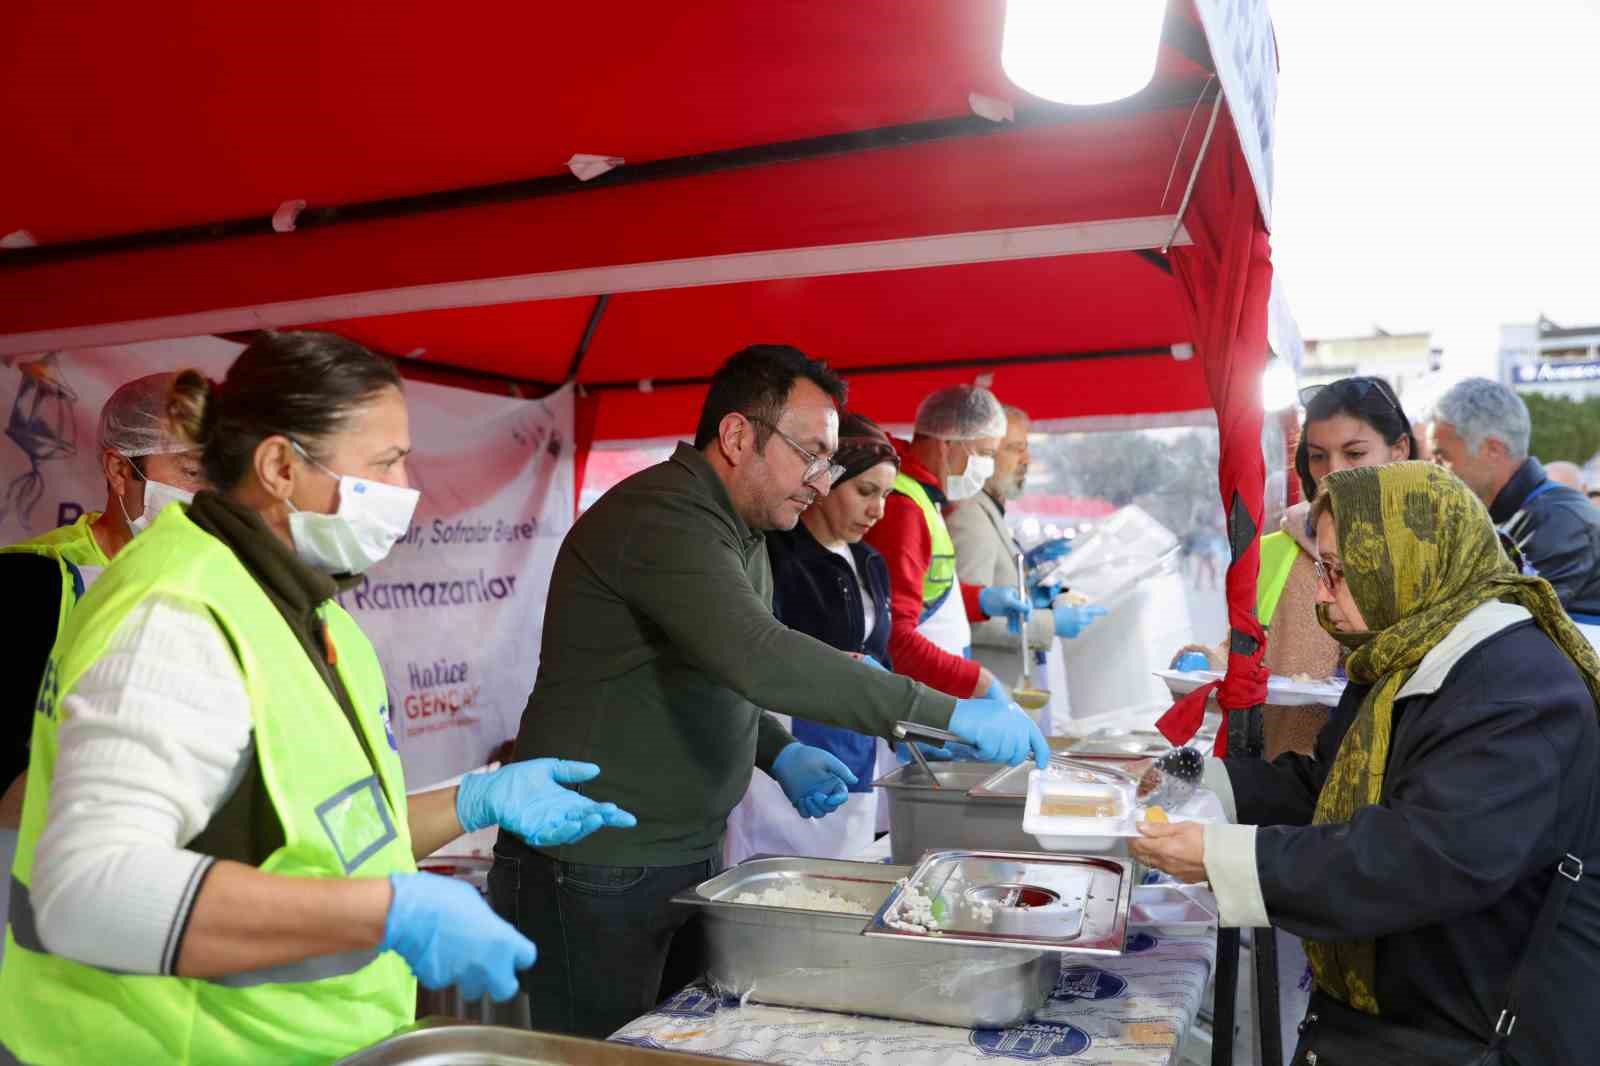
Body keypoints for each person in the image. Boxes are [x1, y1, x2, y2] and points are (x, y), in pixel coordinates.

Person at [0, 332, 636, 1065]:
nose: (405, 489)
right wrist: (391, 910)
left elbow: (323, 838)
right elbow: (90, 892)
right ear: (278, 466)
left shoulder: (313, 613)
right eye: (386, 463)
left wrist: (474, 802)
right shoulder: (177, 612)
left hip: (321, 1043)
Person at [490, 345, 1048, 1039]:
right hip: (595, 865)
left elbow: (710, 666)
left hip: (678, 850)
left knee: (675, 1046)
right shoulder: (665, 518)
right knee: (603, 1056)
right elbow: (758, 656)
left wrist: (777, 750)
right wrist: (941, 712)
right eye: (811, 455)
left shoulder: (741, 528)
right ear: (736, 437)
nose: (821, 480)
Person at [1135, 462, 1600, 1064]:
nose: (1322, 593)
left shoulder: (1518, 689)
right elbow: (1328, 788)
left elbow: (1421, 858)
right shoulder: (1403, 651)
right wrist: (1194, 781)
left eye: (1339, 572)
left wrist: (1220, 857)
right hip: (1414, 1011)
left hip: (1487, 1029)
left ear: (1410, 559)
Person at [0, 373, 211, 828]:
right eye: (193, 473)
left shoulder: (215, 581)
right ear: (119, 471)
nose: (212, 495)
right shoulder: (36, 579)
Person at [1174, 376, 1419, 759]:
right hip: (1286, 788)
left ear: (1399, 450)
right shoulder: (1273, 552)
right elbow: (1245, 657)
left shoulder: (1428, 554)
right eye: (1318, 456)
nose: (1333, 472)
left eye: (1354, 454)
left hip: (1392, 790)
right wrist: (1203, 665)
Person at [724, 412, 900, 863]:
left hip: (856, 751)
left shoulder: (871, 562)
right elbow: (756, 655)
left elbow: (881, 653)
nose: (878, 510)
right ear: (824, 483)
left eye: (886, 495)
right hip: (784, 755)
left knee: (848, 874)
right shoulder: (777, 556)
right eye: (865, 492)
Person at [862, 385, 1036, 703]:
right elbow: (895, 634)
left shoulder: (928, 498)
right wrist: (975, 681)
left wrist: (980, 600)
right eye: (983, 454)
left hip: (932, 687)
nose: (985, 470)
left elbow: (927, 590)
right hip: (917, 696)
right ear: (947, 444)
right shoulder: (904, 508)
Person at [946, 404, 1102, 717]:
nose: (1026, 459)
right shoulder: (969, 516)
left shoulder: (988, 511)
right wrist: (1051, 623)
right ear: (985, 453)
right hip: (988, 705)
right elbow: (964, 619)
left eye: (1027, 449)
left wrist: (1030, 587)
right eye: (1016, 449)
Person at [1428, 377, 1600, 623]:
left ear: (1493, 450)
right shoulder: (1521, 515)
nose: (1435, 470)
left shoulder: (1558, 522)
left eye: (1442, 457)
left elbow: (1503, 628)